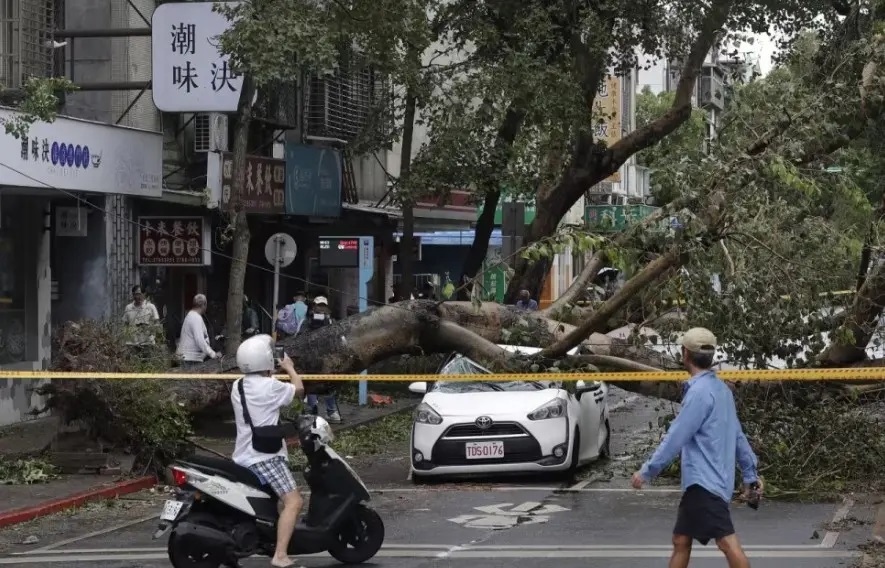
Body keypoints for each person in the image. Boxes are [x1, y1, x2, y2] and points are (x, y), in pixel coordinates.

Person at [631, 327, 761, 568]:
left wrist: (647, 471)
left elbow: (676, 437)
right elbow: (738, 436)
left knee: (726, 543)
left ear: (685, 354)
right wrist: (750, 472)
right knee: (681, 540)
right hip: (713, 481)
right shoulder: (722, 390)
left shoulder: (699, 393)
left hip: (704, 482)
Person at [231, 335, 305, 568]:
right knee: (294, 502)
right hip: (265, 457)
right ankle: (280, 555)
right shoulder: (272, 387)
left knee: (273, 502)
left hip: (242, 455)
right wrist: (289, 367)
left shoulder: (238, 385)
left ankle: (270, 540)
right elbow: (300, 390)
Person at [305, 296, 341, 423]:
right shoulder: (331, 321)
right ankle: (331, 412)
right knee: (326, 384)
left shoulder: (307, 320)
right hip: (325, 359)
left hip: (314, 358)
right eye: (320, 306)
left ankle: (312, 411)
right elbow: (339, 338)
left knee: (313, 383)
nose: (321, 308)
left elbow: (298, 337)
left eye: (322, 306)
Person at [176, 294, 220, 366]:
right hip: (189, 359)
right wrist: (213, 354)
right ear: (204, 305)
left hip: (188, 358)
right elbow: (200, 340)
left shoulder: (192, 315)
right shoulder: (195, 318)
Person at [122, 285, 160, 353]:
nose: (139, 296)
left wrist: (149, 329)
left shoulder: (150, 307)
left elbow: (157, 323)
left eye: (141, 294)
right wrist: (126, 339)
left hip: (147, 344)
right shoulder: (128, 308)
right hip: (132, 344)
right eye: (137, 294)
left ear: (144, 294)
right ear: (133, 295)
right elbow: (125, 325)